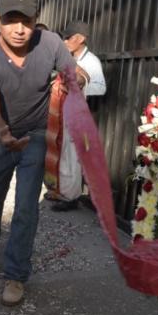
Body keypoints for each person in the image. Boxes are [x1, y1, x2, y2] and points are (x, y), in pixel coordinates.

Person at [0, 0, 75, 306]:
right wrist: (3, 135)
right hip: (1, 136)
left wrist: (75, 81)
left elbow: (73, 75)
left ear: (36, 20)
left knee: (26, 206)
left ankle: (16, 273)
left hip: (36, 135)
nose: (20, 29)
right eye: (11, 20)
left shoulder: (50, 43)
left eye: (26, 20)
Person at [50, 19, 107, 211]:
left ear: (81, 38)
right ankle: (63, 190)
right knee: (63, 152)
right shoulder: (69, 59)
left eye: (68, 37)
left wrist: (80, 86)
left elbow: (101, 88)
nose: (64, 41)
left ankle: (70, 197)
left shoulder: (91, 62)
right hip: (65, 112)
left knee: (72, 156)